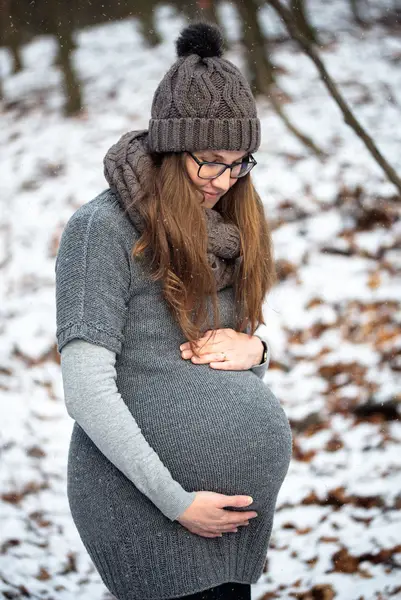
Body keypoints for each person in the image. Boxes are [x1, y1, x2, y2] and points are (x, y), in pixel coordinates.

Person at [55, 22, 292, 600]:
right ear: (169, 146)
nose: (223, 179)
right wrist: (177, 502)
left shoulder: (226, 228)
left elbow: (214, 361)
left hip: (226, 517)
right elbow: (85, 389)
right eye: (208, 161)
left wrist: (258, 351)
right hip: (149, 505)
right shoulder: (100, 231)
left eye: (239, 163)